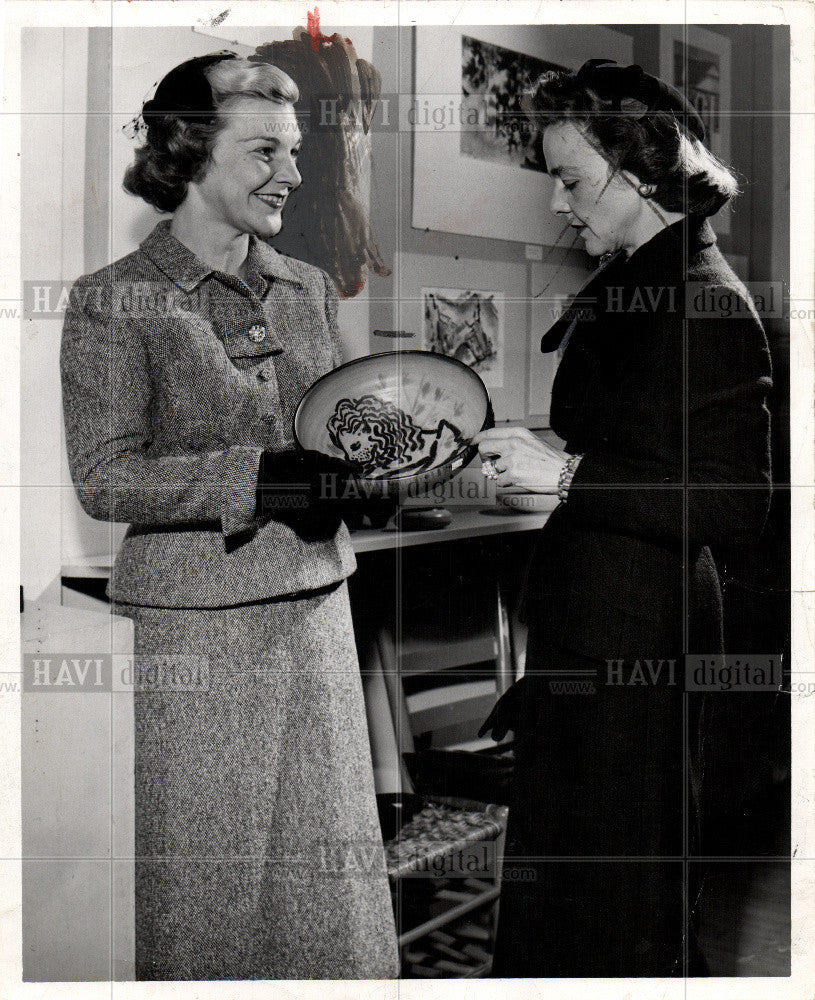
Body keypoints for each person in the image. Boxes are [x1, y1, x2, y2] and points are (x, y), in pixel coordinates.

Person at [60, 52, 399, 980]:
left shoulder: (310, 288)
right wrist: (263, 480)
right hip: (194, 640)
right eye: (263, 153)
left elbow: (335, 437)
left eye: (293, 153)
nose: (290, 174)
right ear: (188, 151)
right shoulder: (112, 299)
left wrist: (377, 470)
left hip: (318, 614)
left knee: (329, 897)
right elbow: (106, 479)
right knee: (205, 896)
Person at [475, 60, 773, 977]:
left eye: (569, 180)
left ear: (636, 169)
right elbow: (636, 452)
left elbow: (736, 500)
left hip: (641, 636)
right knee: (576, 890)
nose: (560, 206)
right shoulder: (640, 280)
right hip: (597, 627)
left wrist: (565, 473)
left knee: (618, 898)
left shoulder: (707, 300)